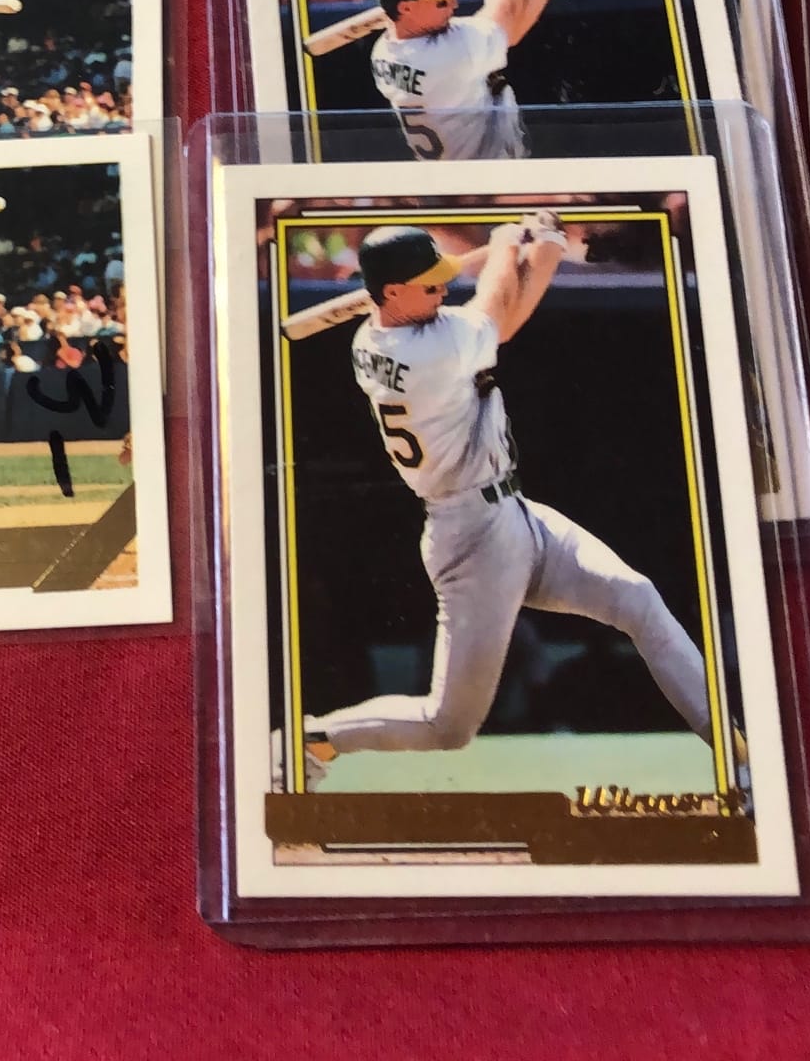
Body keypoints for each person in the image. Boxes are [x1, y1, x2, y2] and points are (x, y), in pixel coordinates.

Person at [287, 218, 729, 791]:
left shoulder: (379, 336)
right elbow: (497, 316)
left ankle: (738, 756)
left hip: (512, 512)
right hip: (470, 536)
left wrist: (540, 256)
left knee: (637, 600)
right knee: (448, 726)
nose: (443, 289)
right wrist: (505, 247)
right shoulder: (427, 350)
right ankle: (315, 739)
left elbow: (499, 321)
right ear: (391, 293)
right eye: (429, 284)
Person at [367, 0, 568, 160]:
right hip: (486, 175)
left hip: (456, 174)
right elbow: (508, 12)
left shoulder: (383, 50)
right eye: (442, 1)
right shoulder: (449, 56)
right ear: (406, 8)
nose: (454, 4)